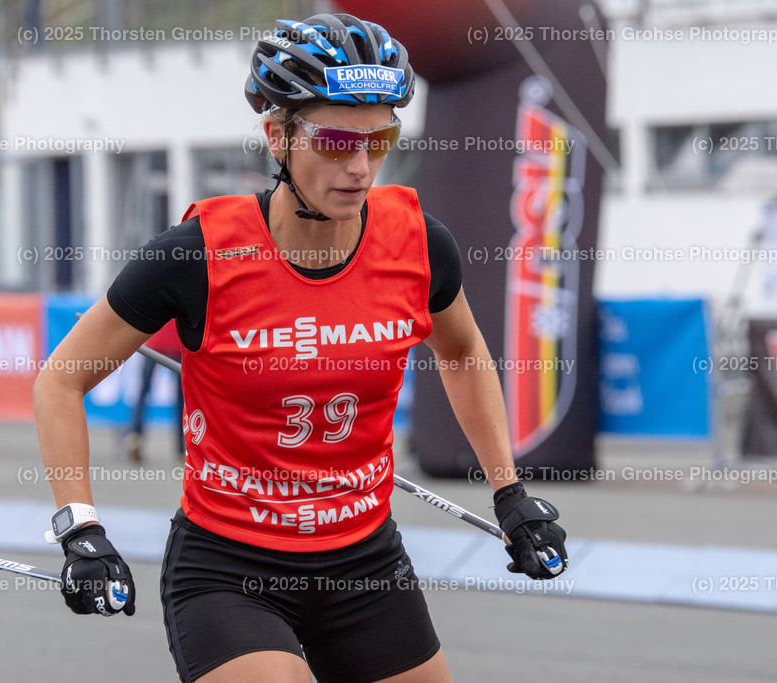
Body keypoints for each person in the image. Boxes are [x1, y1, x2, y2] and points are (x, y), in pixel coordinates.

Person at [34, 13, 568, 683]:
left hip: (364, 564)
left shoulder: (418, 243)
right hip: (231, 569)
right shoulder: (195, 254)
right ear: (277, 136)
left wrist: (509, 490)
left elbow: (461, 354)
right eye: (338, 139)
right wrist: (80, 527)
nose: (360, 165)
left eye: (381, 140)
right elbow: (60, 381)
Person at [125, 320, 184, 462]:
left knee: (144, 391)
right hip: (178, 341)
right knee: (181, 397)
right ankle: (181, 448)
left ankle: (135, 435)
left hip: (155, 340)